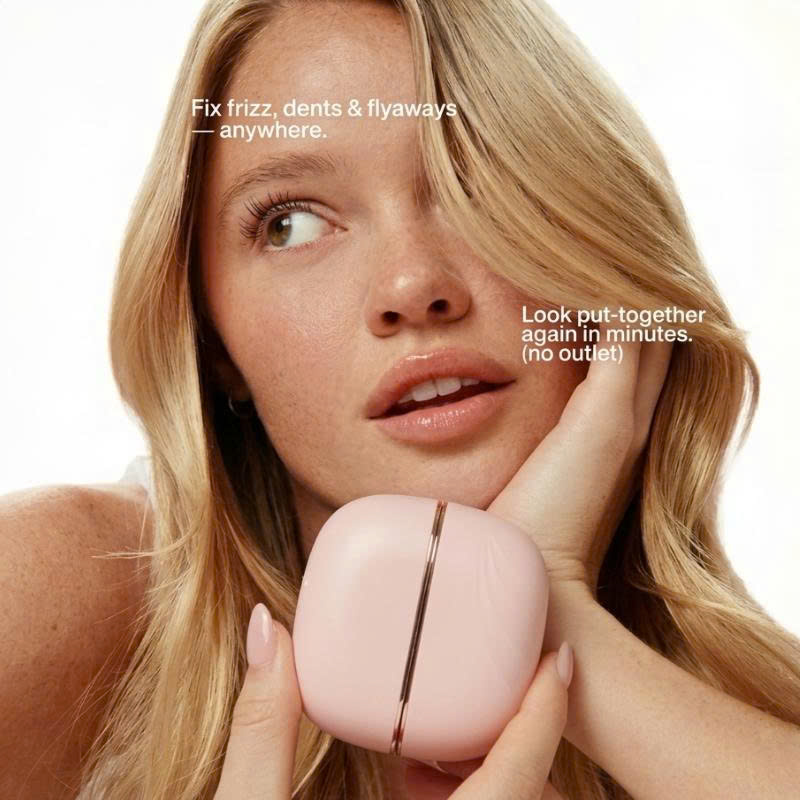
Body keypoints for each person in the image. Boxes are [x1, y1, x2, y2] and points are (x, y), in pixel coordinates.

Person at [3, 0, 799, 798]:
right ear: (211, 339)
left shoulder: (752, 714)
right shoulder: (51, 593)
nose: (413, 287)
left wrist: (552, 615)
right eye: (290, 224)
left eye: (479, 182)